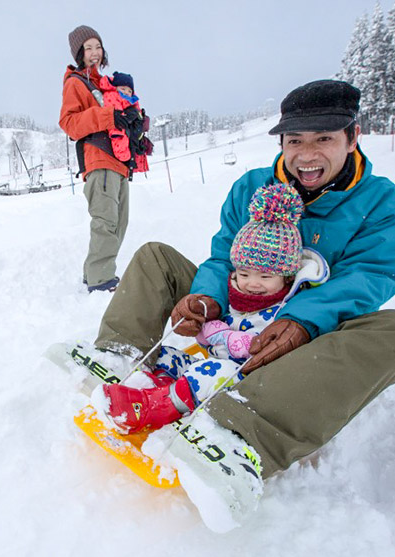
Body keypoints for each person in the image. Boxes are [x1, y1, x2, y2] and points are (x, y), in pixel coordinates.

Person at [79, 79, 395, 531]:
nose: (306, 155)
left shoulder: (386, 204)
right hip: (235, 316)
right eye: (294, 141)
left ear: (353, 137)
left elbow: (371, 277)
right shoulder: (253, 187)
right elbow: (222, 254)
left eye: (323, 139)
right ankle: (122, 358)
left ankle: (234, 433)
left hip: (311, 339)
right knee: (155, 256)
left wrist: (303, 320)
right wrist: (207, 296)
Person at [99, 181, 329, 435]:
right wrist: (209, 322)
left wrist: (232, 339)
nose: (252, 284)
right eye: (244, 273)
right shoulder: (235, 294)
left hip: (243, 379)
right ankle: (155, 388)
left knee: (215, 372)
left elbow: (265, 346)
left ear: (286, 277)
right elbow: (212, 328)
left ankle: (158, 406)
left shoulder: (285, 308)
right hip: (210, 366)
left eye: (265, 277)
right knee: (165, 355)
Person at [59, 25, 144, 293]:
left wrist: (134, 122)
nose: (94, 53)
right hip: (99, 160)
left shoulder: (104, 84)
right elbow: (69, 123)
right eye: (88, 48)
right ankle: (101, 280)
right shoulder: (76, 83)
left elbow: (121, 118)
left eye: (98, 46)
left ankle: (93, 272)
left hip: (119, 164)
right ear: (79, 54)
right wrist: (109, 116)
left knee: (120, 222)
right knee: (106, 222)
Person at [100, 71, 152, 175]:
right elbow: (118, 129)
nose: (126, 92)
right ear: (115, 88)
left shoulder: (131, 103)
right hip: (121, 150)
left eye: (129, 90)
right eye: (122, 89)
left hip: (130, 146)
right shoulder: (113, 97)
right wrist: (125, 156)